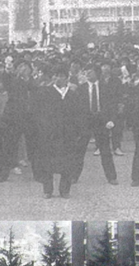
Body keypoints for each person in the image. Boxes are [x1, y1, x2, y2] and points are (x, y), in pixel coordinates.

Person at [35, 64, 82, 198]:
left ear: (67, 78)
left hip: (68, 134)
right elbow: (39, 113)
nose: (58, 79)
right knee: (48, 162)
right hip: (50, 133)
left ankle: (65, 190)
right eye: (56, 76)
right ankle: (48, 190)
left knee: (67, 162)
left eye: (61, 76)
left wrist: (76, 131)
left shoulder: (72, 95)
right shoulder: (45, 92)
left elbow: (78, 114)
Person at [73, 65, 119, 186]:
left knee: (105, 150)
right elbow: (77, 107)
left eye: (91, 72)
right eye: (86, 72)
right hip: (86, 121)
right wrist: (78, 123)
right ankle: (73, 176)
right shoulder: (81, 88)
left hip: (101, 120)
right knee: (79, 150)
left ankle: (111, 177)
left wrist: (111, 120)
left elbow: (112, 105)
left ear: (97, 73)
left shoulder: (106, 88)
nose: (88, 74)